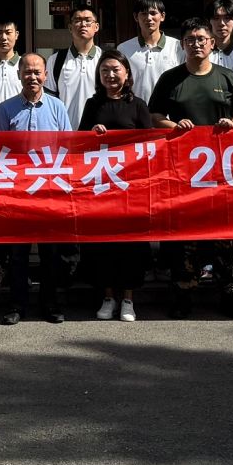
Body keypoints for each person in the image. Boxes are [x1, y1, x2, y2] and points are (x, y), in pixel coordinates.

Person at [148, 19, 233, 319]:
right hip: (182, 173)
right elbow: (154, 115)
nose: (196, 44)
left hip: (221, 173)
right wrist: (173, 125)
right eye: (190, 39)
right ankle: (183, 292)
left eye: (202, 39)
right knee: (184, 237)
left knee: (224, 237)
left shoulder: (228, 77)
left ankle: (227, 292)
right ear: (182, 44)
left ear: (212, 43)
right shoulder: (170, 78)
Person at [0, 53, 75, 324]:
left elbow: (67, 149)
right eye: (27, 72)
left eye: (37, 72)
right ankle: (17, 305)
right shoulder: (6, 109)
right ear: (19, 75)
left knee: (51, 253)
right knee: (18, 254)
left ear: (46, 75)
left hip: (49, 190)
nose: (32, 77)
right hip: (18, 193)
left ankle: (50, 304)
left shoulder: (57, 107)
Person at [77, 49, 152, 322]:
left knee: (130, 244)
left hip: (130, 187)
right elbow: (79, 140)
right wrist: (92, 134)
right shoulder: (93, 104)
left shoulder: (138, 105)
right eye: (105, 70)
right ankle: (108, 297)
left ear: (127, 73)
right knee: (103, 244)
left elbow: (149, 143)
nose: (110, 75)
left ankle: (128, 299)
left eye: (115, 70)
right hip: (100, 186)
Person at [119, 0, 184, 104]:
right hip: (135, 111)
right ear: (136, 17)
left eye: (153, 13)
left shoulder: (177, 47)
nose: (149, 18)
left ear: (162, 16)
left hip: (168, 112)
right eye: (144, 14)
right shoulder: (124, 49)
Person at [50, 0, 106, 121]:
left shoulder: (105, 59)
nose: (83, 24)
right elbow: (49, 99)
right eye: (77, 20)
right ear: (70, 27)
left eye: (88, 20)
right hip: (65, 129)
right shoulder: (55, 60)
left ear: (96, 27)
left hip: (98, 129)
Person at [208, 0, 233, 80]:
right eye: (216, 18)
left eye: (227, 18)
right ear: (209, 21)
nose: (221, 23)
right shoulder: (200, 55)